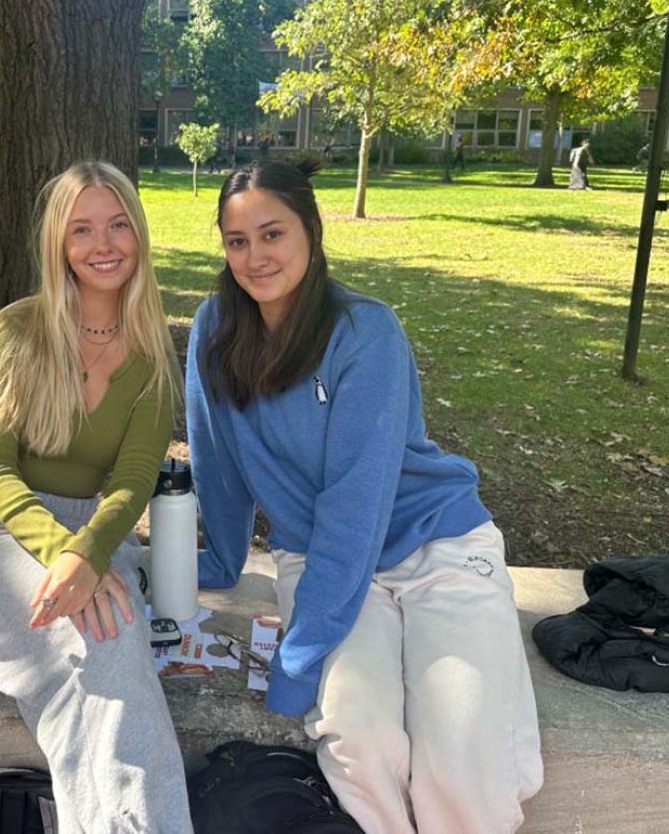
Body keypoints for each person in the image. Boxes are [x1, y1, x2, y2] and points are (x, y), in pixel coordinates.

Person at [186, 158, 543, 834]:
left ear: (311, 232)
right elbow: (217, 463)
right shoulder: (214, 331)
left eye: (272, 234)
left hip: (437, 544)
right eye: (238, 241)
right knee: (357, 735)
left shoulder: (366, 333)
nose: (255, 257)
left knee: (461, 752)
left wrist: (301, 651)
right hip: (319, 557)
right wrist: (217, 559)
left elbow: (357, 505)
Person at [0, 161, 192, 834]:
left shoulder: (149, 351)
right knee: (96, 645)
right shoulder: (13, 332)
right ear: (59, 243)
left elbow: (135, 475)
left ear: (140, 235)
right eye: (83, 228)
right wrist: (65, 551)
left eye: (119, 223)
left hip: (93, 536)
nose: (104, 243)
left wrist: (88, 550)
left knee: (112, 642)